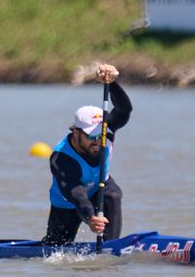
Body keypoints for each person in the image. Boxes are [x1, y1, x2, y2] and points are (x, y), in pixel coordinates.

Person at [43, 63, 131, 246]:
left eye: (100, 135)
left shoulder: (108, 130)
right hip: (68, 202)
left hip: (100, 186)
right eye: (91, 136)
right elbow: (76, 193)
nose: (97, 141)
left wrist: (112, 83)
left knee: (113, 195)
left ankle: (110, 249)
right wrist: (91, 217)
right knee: (56, 249)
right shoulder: (61, 158)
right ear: (76, 132)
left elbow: (124, 110)